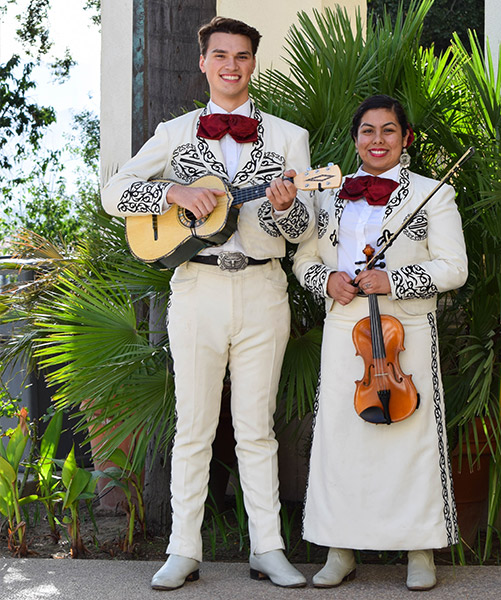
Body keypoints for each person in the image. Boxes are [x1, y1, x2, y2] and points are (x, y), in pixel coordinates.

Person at [101, 16, 313, 590]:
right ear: (204, 63)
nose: (231, 65)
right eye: (220, 55)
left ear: (252, 63)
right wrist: (172, 190)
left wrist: (288, 204)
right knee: (192, 426)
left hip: (264, 288)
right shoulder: (173, 133)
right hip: (195, 288)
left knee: (257, 429)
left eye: (241, 56)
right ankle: (182, 549)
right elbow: (114, 191)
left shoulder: (288, 138)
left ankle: (268, 548)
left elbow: (303, 230)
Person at [293, 94, 468, 591]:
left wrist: (393, 279)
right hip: (345, 328)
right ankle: (339, 548)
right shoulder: (327, 196)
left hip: (405, 329)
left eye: (388, 130)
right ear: (355, 140)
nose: (377, 140)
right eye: (367, 131)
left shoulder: (435, 193)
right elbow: (303, 260)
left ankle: (419, 551)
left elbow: (455, 268)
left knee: (410, 441)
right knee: (340, 440)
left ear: (405, 138)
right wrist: (326, 281)